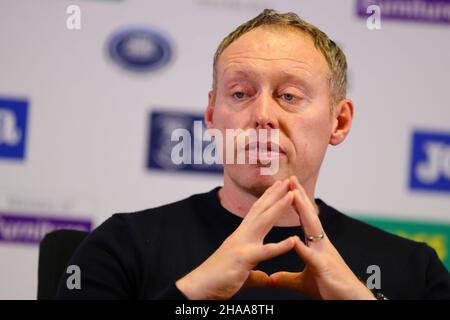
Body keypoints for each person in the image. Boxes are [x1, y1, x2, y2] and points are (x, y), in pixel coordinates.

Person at [56, 9, 450, 300]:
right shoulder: (120, 247)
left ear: (339, 121)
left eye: (289, 96)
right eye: (241, 94)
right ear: (212, 114)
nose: (262, 116)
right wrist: (191, 295)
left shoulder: (414, 271)